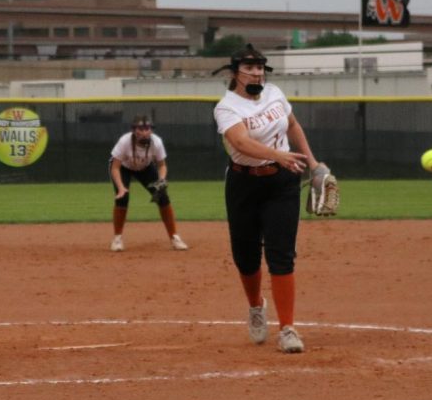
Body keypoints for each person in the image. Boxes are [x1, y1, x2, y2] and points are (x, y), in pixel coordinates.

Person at [213, 43, 321, 353]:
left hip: (282, 183)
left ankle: (287, 328)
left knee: (281, 254)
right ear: (236, 74)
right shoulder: (227, 106)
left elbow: (293, 124)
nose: (257, 72)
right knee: (246, 258)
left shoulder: (275, 93)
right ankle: (256, 307)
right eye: (249, 67)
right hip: (243, 184)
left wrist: (313, 164)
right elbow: (241, 142)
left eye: (260, 67)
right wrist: (278, 154)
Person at [108, 114, 189, 253]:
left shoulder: (156, 142)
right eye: (141, 128)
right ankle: (117, 239)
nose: (145, 131)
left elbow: (162, 165)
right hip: (123, 168)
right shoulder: (125, 141)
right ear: (134, 130)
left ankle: (175, 238)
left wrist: (161, 181)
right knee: (123, 197)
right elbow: (115, 167)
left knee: (162, 196)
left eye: (148, 128)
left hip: (145, 167)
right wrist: (121, 188)